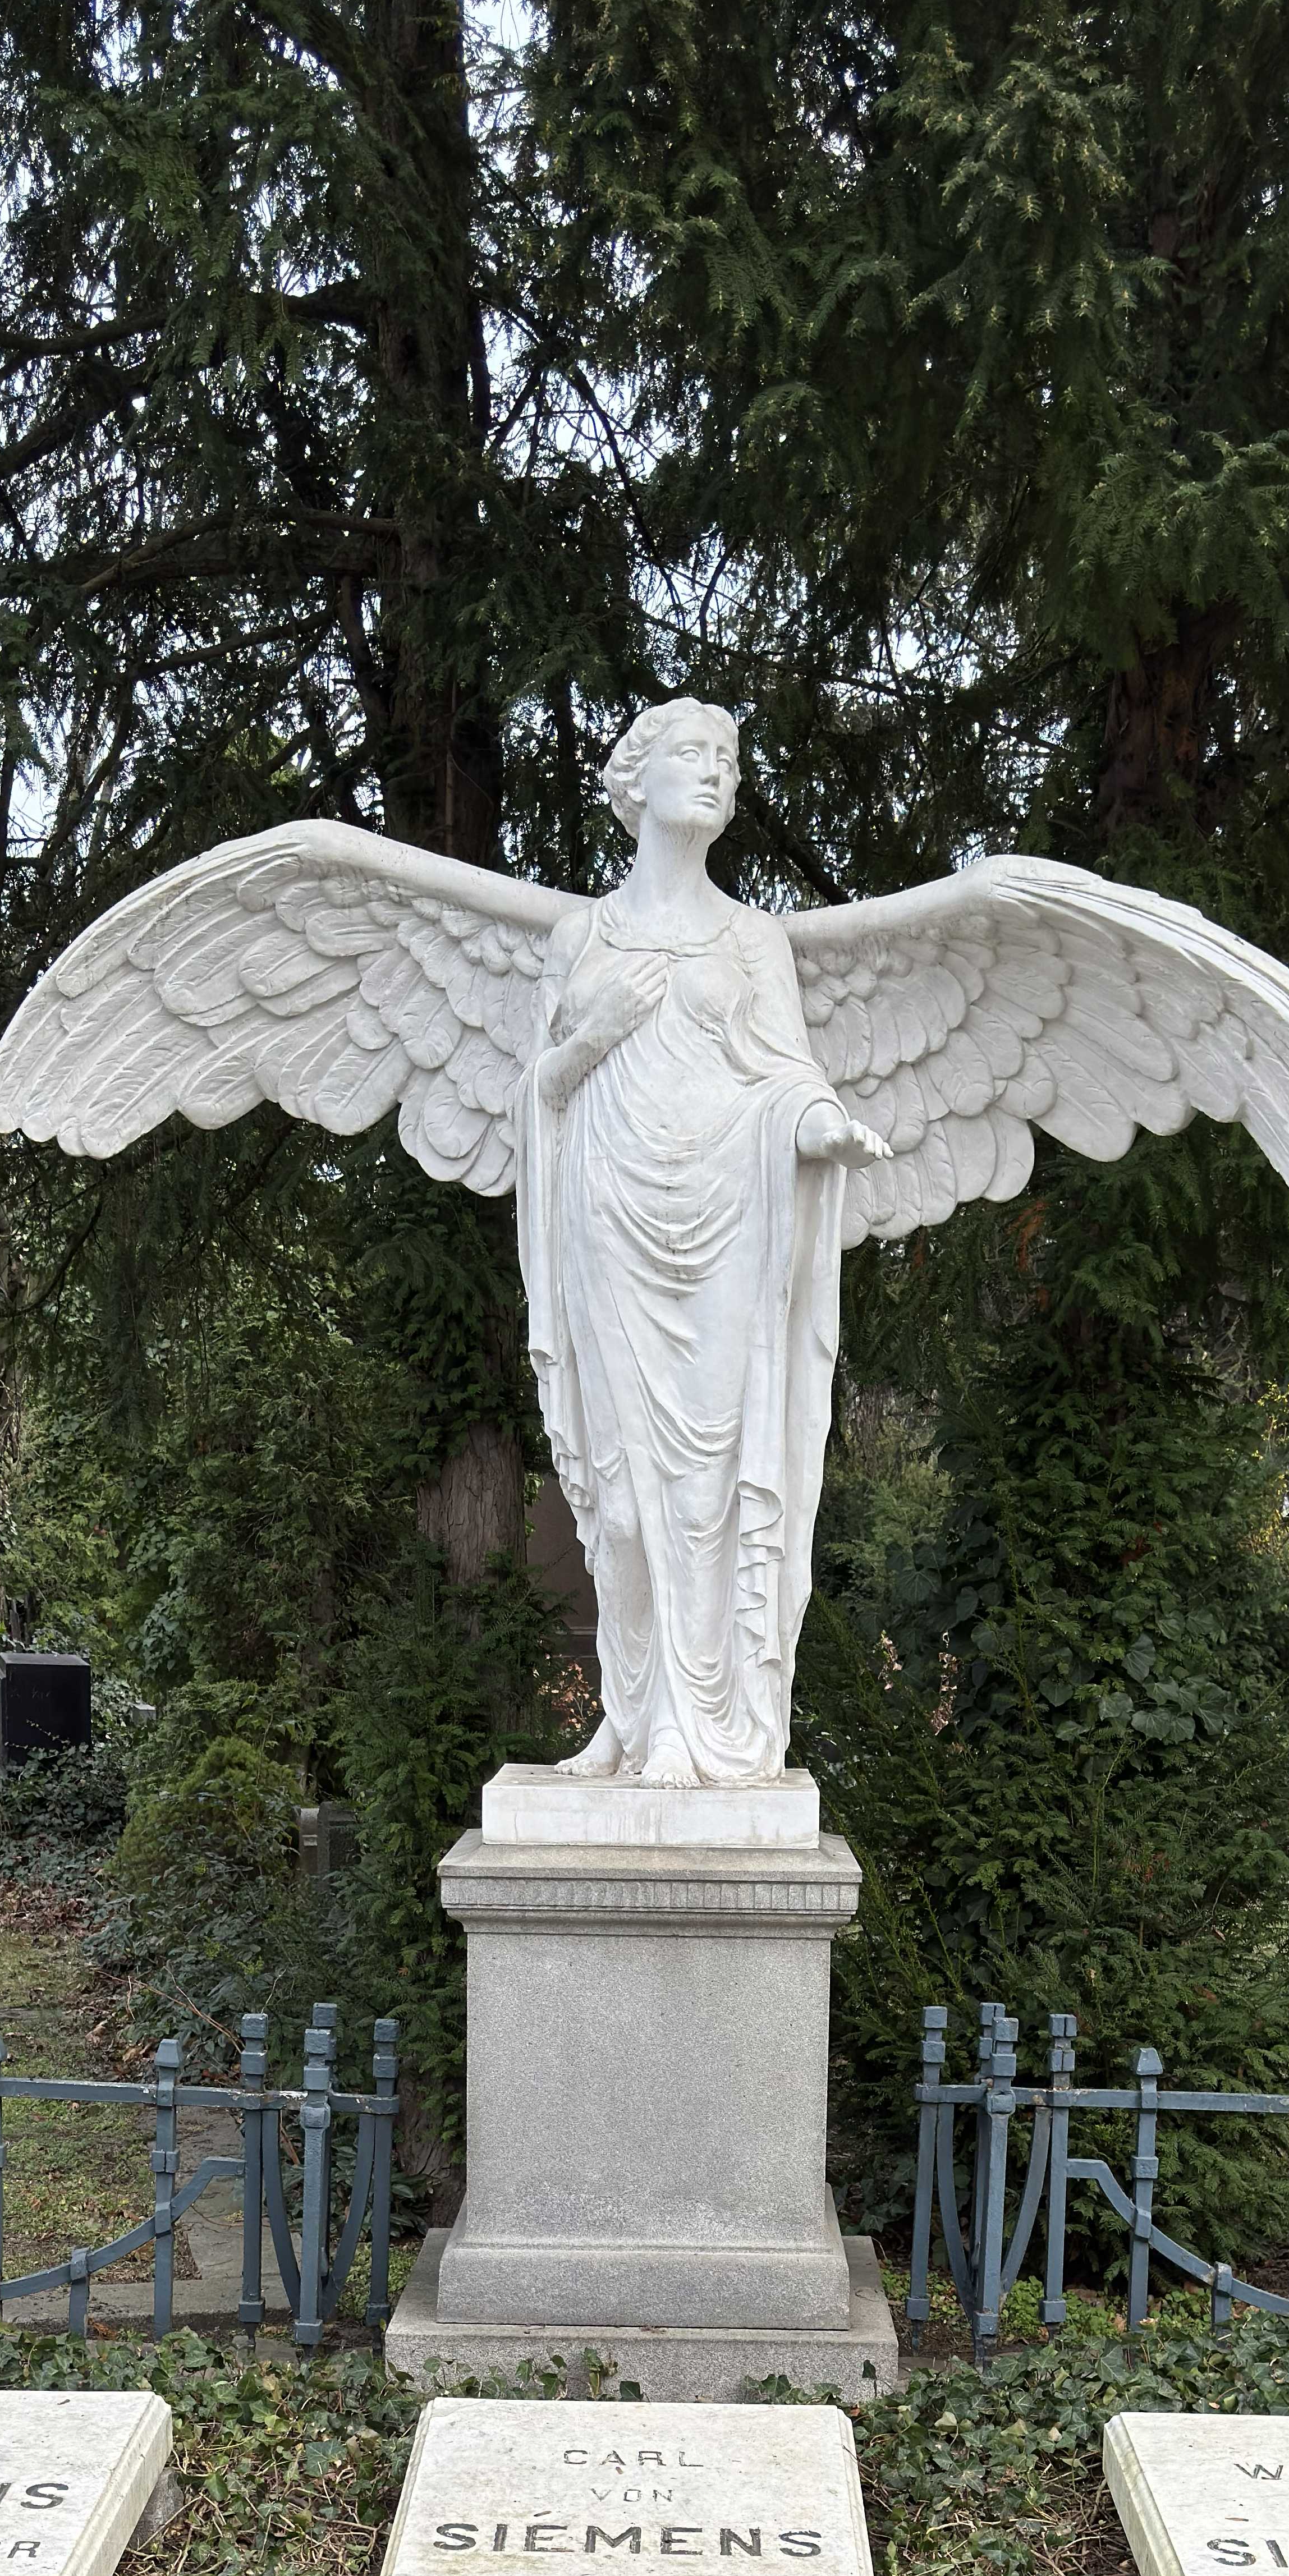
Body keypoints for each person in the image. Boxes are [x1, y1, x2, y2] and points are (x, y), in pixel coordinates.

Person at [520, 702, 886, 1787]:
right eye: (692, 754)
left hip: (728, 1220)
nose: (716, 774)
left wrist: (820, 1125)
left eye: (729, 760)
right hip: (608, 1220)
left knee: (707, 1492)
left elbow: (787, 1073)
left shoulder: (753, 939)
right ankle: (628, 1722)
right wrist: (593, 1033)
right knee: (622, 1500)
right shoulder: (580, 938)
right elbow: (538, 1094)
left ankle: (696, 1725)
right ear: (635, 781)